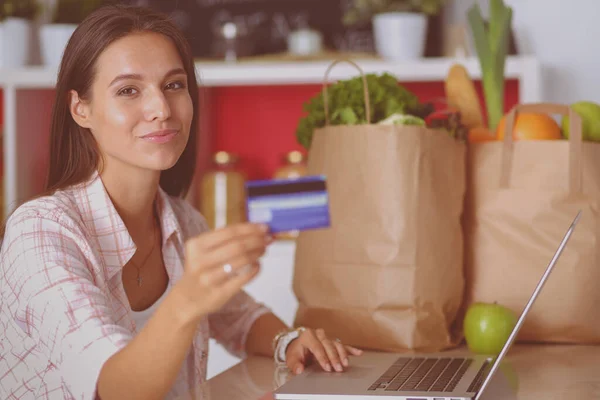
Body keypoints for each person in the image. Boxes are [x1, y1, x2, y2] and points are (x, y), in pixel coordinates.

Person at [0, 4, 362, 400]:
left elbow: (239, 317)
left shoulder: (183, 220)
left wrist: (288, 341)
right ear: (80, 109)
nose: (161, 109)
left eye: (173, 85)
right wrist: (187, 298)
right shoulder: (40, 232)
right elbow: (115, 389)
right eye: (128, 90)